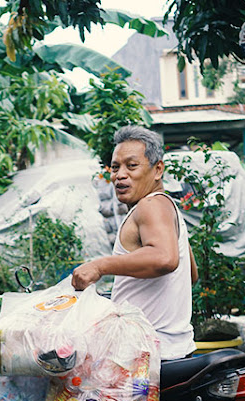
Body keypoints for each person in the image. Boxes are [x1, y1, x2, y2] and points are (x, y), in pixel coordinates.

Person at [71, 125, 198, 360]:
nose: (120, 175)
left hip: (147, 356)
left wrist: (100, 266)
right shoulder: (168, 208)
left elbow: (165, 259)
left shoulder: (150, 206)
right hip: (176, 351)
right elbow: (190, 273)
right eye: (115, 167)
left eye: (131, 166)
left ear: (158, 169)